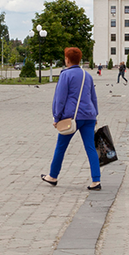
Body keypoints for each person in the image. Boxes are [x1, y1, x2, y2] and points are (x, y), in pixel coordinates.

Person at [41, 47, 101, 191]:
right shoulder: (88, 75)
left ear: (67, 59)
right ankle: (96, 180)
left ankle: (53, 176)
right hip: (89, 116)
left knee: (61, 147)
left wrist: (57, 116)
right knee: (91, 148)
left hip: (71, 118)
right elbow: (93, 97)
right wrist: (95, 114)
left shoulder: (65, 75)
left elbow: (60, 98)